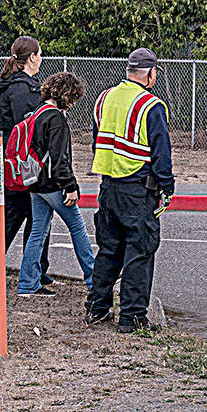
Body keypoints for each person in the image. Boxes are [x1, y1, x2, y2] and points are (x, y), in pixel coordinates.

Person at [85, 48, 174, 334]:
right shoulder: (151, 105)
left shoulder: (104, 99)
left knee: (109, 250)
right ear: (150, 73)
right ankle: (132, 316)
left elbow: (98, 139)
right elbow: (161, 152)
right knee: (140, 250)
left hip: (108, 186)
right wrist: (167, 186)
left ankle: (97, 308)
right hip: (137, 190)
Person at [0, 36, 53, 286]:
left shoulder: (11, 85)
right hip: (21, 165)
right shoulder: (23, 89)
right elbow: (28, 128)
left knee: (14, 216)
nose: (41, 59)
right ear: (31, 58)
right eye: (39, 54)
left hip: (8, 163)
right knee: (33, 216)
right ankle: (30, 271)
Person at [16, 72, 95, 298]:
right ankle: (94, 279)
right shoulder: (56, 119)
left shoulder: (36, 114)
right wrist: (70, 185)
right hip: (53, 184)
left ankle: (27, 284)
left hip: (34, 183)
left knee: (37, 233)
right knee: (77, 228)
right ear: (67, 94)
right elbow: (60, 158)